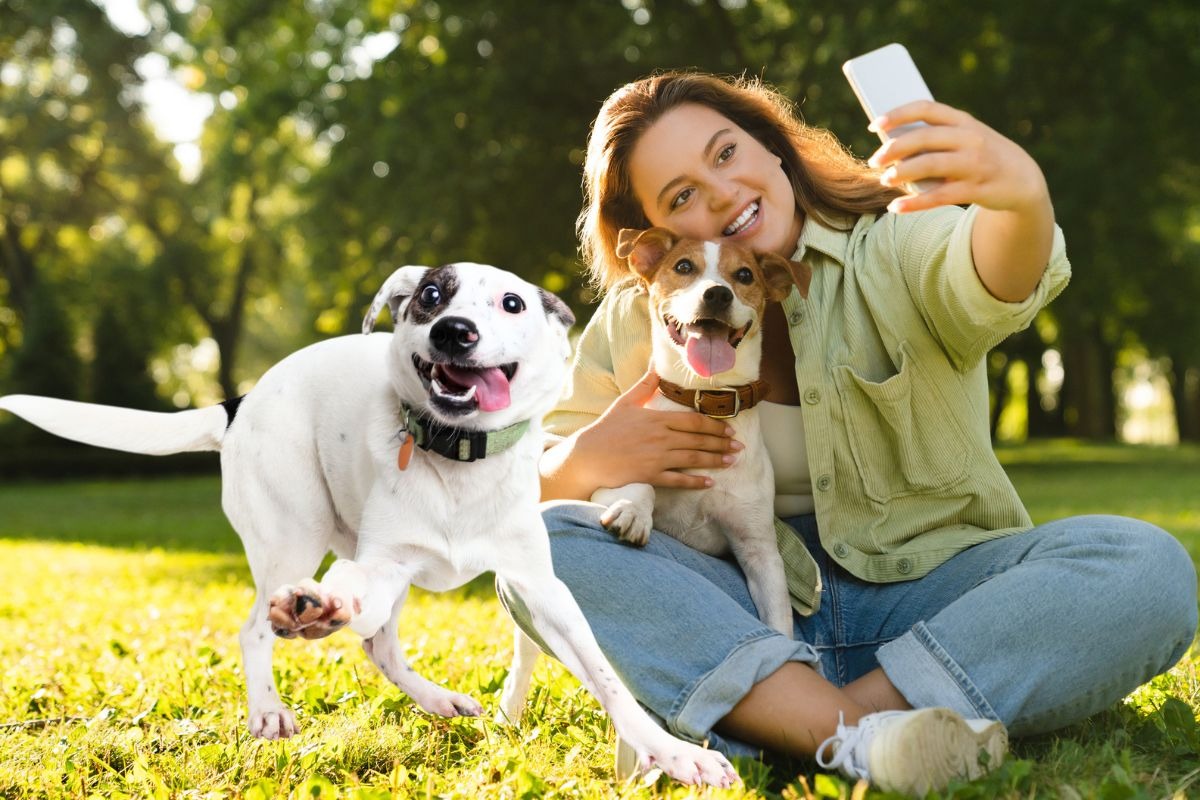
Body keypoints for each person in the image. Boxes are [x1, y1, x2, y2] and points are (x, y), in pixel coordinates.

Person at [502, 70, 1198, 794]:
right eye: (680, 197)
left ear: (773, 148)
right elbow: (526, 491)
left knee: (1146, 566)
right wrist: (589, 457)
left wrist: (1019, 197)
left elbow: (991, 270)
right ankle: (863, 735)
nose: (719, 194)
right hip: (733, 603)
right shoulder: (634, 317)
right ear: (650, 236)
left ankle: (786, 725)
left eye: (725, 155)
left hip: (934, 601)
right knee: (547, 542)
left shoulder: (890, 245)